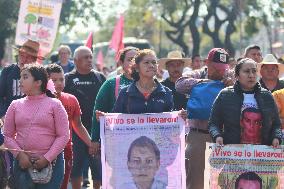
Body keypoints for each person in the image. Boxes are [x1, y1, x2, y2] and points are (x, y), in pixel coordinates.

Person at [3, 64, 69, 188]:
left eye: (25, 77)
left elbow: (63, 135)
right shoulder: (15, 105)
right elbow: (7, 135)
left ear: (38, 82)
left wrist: (47, 158)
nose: (20, 80)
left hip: (52, 164)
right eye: (21, 77)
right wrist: (20, 155)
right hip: (22, 165)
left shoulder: (55, 105)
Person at [176, 48, 233, 189]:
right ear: (207, 63)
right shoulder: (196, 74)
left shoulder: (229, 76)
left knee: (222, 182)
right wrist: (206, 83)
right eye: (216, 68)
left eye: (223, 68)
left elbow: (244, 85)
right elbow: (179, 84)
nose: (220, 72)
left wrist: (233, 85)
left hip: (223, 136)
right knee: (196, 182)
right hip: (198, 136)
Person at [208, 58, 281, 147]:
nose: (251, 75)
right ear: (237, 76)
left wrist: (276, 137)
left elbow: (276, 124)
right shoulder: (225, 95)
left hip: (262, 155)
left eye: (254, 71)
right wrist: (217, 136)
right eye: (246, 71)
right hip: (233, 154)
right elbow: (213, 123)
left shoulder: (267, 96)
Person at [46, 64, 97, 189]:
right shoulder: (38, 100)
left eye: (61, 79)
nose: (58, 83)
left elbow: (78, 125)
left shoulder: (71, 100)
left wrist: (91, 143)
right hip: (43, 151)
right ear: (45, 81)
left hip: (66, 151)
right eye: (54, 80)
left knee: (62, 185)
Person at [64, 46, 106, 189]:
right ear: (75, 61)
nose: (89, 60)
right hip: (74, 132)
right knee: (75, 169)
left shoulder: (100, 77)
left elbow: (108, 102)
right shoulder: (67, 79)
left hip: (96, 130)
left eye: (90, 57)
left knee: (98, 170)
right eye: (85, 57)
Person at [92, 46, 138, 148]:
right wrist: (95, 139)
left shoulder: (150, 84)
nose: (133, 63)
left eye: (137, 59)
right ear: (121, 63)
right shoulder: (111, 84)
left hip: (144, 140)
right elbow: (98, 112)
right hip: (117, 140)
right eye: (130, 59)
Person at [112, 49, 174, 114]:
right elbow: (115, 119)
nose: (151, 66)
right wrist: (103, 117)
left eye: (154, 62)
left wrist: (181, 116)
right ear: (136, 67)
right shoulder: (125, 93)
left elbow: (172, 120)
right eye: (146, 62)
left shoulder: (166, 92)